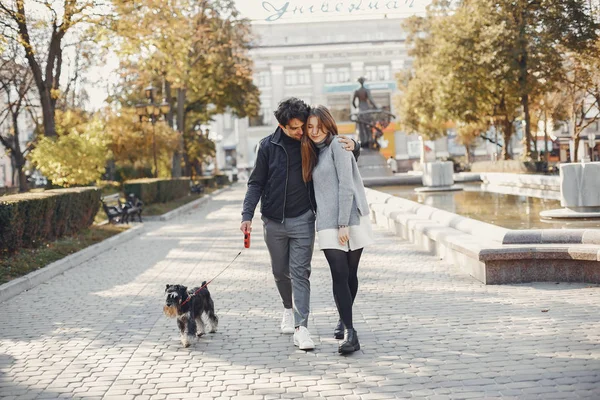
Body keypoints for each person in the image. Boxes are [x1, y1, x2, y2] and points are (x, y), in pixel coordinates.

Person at [240, 98, 359, 351]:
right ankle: (287, 308)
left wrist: (355, 144)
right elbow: (255, 183)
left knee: (300, 273)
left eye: (302, 126)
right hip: (273, 220)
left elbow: (337, 150)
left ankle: (301, 327)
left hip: (304, 218)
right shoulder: (267, 147)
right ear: (281, 126)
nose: (301, 131)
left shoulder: (310, 143)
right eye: (294, 128)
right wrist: (246, 215)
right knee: (280, 272)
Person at [300, 105, 374, 355]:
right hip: (327, 223)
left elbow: (346, 185)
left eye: (318, 126)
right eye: (309, 127)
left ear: (327, 124)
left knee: (350, 274)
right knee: (339, 274)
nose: (314, 131)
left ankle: (345, 320)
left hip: (350, 219)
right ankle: (351, 332)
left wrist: (343, 223)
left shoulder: (339, 146)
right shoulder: (311, 152)